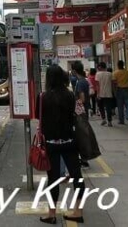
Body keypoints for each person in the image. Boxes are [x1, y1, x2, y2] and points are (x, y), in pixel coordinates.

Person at [37, 65, 85, 224]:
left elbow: (39, 117)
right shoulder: (70, 95)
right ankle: (78, 211)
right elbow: (80, 114)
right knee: (77, 176)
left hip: (50, 144)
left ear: (48, 79)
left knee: (53, 179)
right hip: (70, 142)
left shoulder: (42, 97)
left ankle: (51, 214)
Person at [113, 61, 128, 125]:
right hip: (127, 89)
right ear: (123, 65)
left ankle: (121, 120)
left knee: (120, 106)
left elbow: (114, 83)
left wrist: (115, 92)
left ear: (118, 65)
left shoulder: (115, 73)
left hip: (119, 90)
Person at [96, 62, 115, 126]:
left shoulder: (98, 74)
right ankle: (109, 121)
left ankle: (103, 119)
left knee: (101, 107)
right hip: (108, 93)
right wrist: (113, 92)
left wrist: (98, 94)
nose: (98, 68)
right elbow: (113, 84)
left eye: (99, 66)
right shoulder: (110, 74)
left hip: (101, 94)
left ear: (100, 67)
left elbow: (97, 85)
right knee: (108, 108)